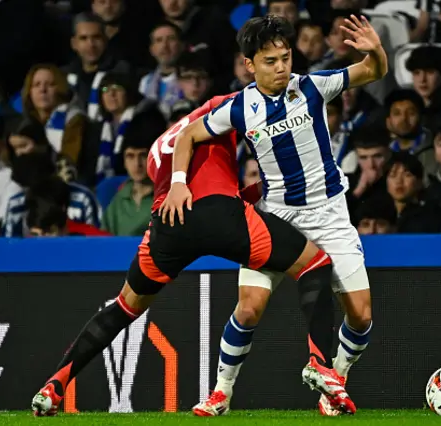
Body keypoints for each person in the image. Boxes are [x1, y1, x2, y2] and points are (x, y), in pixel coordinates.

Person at [30, 95, 354, 417]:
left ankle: (54, 386)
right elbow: (262, 106)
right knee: (315, 264)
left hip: (168, 227)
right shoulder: (218, 107)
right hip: (219, 213)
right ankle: (321, 365)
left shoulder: (158, 148)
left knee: (124, 306)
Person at [162, 14, 387, 416]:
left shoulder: (313, 87)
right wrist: (179, 181)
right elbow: (188, 135)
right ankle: (221, 393)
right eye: (270, 60)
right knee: (248, 308)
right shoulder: (240, 108)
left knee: (362, 316)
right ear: (249, 64)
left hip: (330, 216)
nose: (282, 66)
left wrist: (376, 49)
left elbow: (373, 70)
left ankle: (335, 378)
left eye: (285, 57)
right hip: (275, 219)